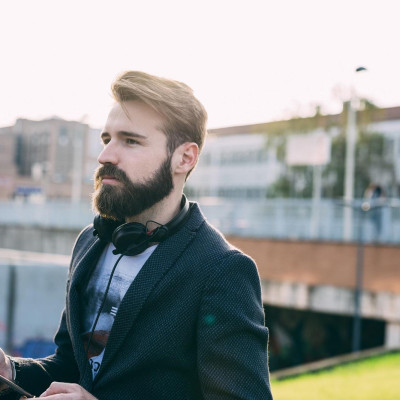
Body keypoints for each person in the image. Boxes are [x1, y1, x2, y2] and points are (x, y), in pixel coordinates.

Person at [0, 71, 273, 399]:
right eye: (106, 139)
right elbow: (71, 367)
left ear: (185, 158)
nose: (106, 156)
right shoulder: (91, 242)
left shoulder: (223, 271)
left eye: (130, 141)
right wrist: (11, 371)